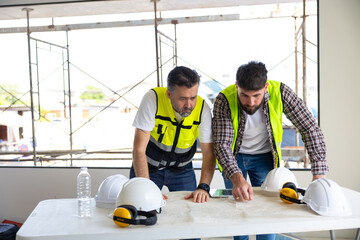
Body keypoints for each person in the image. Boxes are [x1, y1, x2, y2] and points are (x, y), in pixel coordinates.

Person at [212, 61, 329, 240]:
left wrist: (318, 174)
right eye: (244, 95)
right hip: (234, 157)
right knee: (238, 210)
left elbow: (310, 128)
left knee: (268, 211)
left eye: (256, 95)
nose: (250, 102)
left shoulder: (281, 92)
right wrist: (236, 177)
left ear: (266, 87)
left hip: (265, 157)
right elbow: (222, 145)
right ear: (237, 86)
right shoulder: (224, 99)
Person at [131, 66, 216, 204]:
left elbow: (209, 153)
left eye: (193, 97)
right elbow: (138, 149)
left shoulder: (202, 109)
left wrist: (203, 187)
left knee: (190, 210)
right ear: (169, 94)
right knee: (142, 204)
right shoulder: (153, 99)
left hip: (182, 170)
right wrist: (146, 189)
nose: (189, 104)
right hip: (148, 166)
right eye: (183, 98)